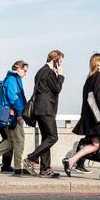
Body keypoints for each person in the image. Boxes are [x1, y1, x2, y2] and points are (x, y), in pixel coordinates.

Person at [63, 53, 100, 180]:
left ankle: (71, 161)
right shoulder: (99, 77)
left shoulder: (90, 78)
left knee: (95, 144)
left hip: (90, 117)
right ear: (98, 63)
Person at [24, 50, 65, 178]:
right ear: (56, 60)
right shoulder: (49, 72)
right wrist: (60, 75)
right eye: (61, 61)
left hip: (40, 109)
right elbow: (57, 89)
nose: (61, 64)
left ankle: (45, 169)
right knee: (53, 137)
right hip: (47, 109)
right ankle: (31, 159)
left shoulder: (40, 71)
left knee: (46, 137)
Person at [0, 61, 29, 176]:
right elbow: (13, 97)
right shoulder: (12, 79)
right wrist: (20, 113)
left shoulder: (12, 79)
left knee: (10, 142)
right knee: (19, 141)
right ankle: (18, 168)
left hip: (9, 114)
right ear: (18, 68)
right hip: (13, 114)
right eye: (25, 70)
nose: (25, 73)